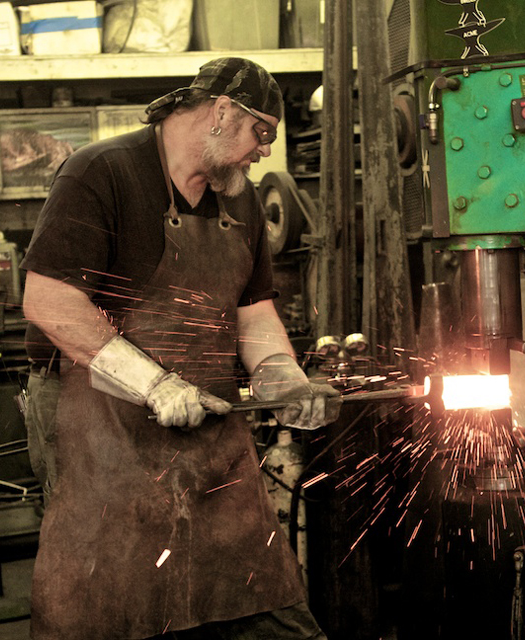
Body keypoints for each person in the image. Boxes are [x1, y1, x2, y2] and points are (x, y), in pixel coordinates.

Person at [20, 56, 341, 640]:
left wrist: (282, 379)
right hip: (94, 416)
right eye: (261, 131)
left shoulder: (240, 200)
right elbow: (50, 302)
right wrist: (156, 385)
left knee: (247, 573)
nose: (265, 150)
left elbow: (253, 312)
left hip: (207, 416)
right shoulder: (101, 172)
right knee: (110, 585)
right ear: (221, 112)